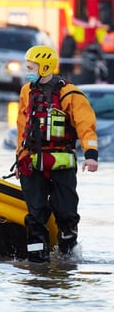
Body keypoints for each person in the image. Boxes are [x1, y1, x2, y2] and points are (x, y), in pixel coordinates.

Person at [15, 45, 98, 263]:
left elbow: (85, 125)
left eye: (31, 67)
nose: (27, 71)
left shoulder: (70, 93)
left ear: (44, 67)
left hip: (61, 161)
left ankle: (67, 257)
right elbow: (22, 127)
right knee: (35, 216)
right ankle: (37, 260)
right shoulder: (27, 92)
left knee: (66, 214)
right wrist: (19, 159)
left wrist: (91, 154)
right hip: (32, 162)